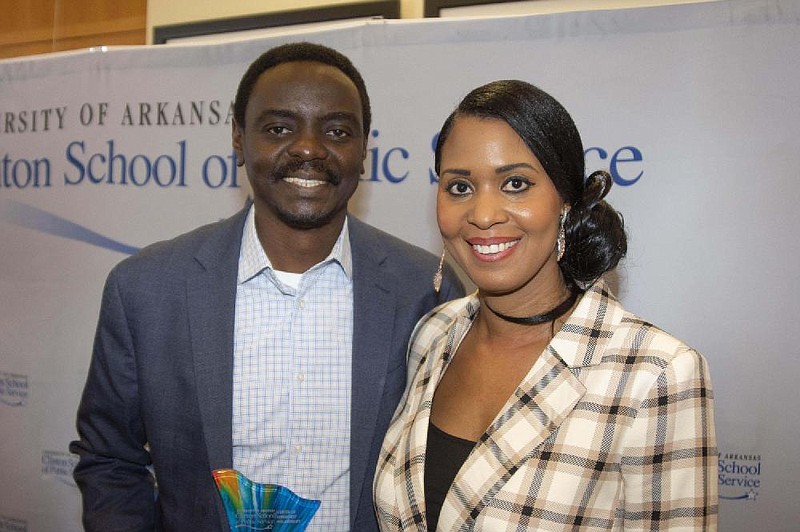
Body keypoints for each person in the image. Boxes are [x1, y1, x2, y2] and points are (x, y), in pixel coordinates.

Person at [70, 42, 463, 532]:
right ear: (239, 137)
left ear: (364, 149)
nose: (307, 149)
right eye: (279, 128)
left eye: (337, 131)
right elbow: (110, 459)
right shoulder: (146, 290)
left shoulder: (429, 293)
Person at [374, 80, 717, 530]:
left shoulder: (656, 375)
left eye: (515, 183)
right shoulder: (434, 334)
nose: (483, 214)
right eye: (459, 187)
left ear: (566, 201)